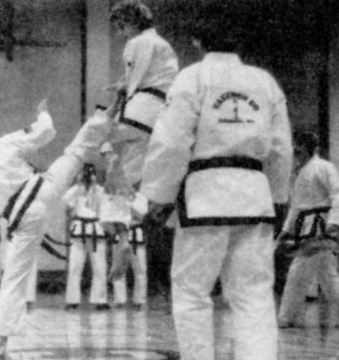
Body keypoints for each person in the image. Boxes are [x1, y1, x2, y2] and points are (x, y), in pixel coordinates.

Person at [139, 4, 293, 358]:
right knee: (254, 294)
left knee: (192, 293)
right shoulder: (264, 82)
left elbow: (171, 143)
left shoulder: (192, 78)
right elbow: (281, 149)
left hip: (205, 197)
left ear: (196, 40)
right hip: (255, 196)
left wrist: (158, 197)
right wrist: (279, 198)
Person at [0, 97, 121, 360]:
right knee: (76, 150)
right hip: (43, 188)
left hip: (22, 217)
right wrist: (42, 113)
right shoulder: (2, 142)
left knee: (13, 279)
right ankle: (109, 112)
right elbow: (43, 133)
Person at [277, 132, 339, 328]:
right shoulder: (299, 171)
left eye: (297, 145)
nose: (294, 149)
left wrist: (334, 223)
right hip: (306, 225)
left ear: (307, 147)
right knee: (326, 272)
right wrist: (286, 229)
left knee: (298, 270)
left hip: (319, 227)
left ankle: (285, 317)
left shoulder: (323, 167)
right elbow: (296, 206)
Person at [106, 0, 179, 191]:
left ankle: (109, 157)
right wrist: (122, 84)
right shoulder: (162, 44)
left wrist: (122, 93)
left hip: (140, 109)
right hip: (159, 116)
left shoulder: (137, 42)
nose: (121, 34)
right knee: (135, 167)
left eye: (121, 27)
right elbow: (148, 75)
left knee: (99, 134)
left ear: (132, 23)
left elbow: (134, 79)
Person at [63, 163, 109, 311]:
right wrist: (78, 188)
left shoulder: (101, 191)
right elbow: (65, 203)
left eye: (91, 174)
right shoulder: (76, 191)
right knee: (75, 266)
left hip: (96, 229)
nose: (89, 178)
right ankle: (72, 300)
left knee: (99, 267)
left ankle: (99, 299)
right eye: (86, 174)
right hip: (79, 231)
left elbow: (107, 207)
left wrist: (94, 190)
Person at [112, 192, 148, 310]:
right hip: (121, 234)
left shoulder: (142, 197)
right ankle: (119, 300)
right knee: (119, 268)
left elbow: (141, 216)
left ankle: (139, 300)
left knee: (140, 269)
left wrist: (128, 209)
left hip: (136, 235)